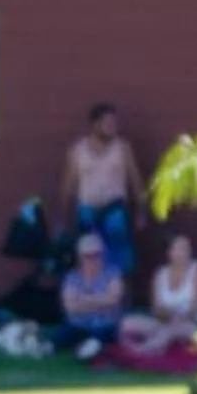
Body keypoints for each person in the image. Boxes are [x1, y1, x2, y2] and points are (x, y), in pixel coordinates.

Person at [58, 103, 150, 275]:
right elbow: (68, 186)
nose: (112, 127)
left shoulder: (122, 148)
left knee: (122, 258)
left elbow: (135, 181)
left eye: (114, 123)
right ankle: (91, 297)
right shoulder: (78, 151)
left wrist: (141, 211)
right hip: (87, 210)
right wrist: (63, 218)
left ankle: (121, 298)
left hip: (114, 209)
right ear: (95, 125)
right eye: (107, 123)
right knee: (87, 256)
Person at [120, 235, 197, 358]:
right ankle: (156, 345)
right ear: (170, 252)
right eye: (180, 248)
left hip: (195, 323)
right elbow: (156, 309)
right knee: (127, 323)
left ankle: (141, 352)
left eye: (186, 248)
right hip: (166, 321)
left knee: (171, 329)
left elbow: (196, 307)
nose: (184, 252)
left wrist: (179, 318)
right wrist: (169, 315)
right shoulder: (160, 274)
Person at [53, 234, 127, 358]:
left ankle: (88, 350)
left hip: (105, 325)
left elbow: (114, 300)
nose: (93, 259)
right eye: (88, 256)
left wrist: (83, 300)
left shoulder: (113, 273)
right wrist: (101, 301)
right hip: (78, 325)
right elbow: (70, 307)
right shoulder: (72, 277)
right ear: (80, 257)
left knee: (102, 336)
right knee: (61, 337)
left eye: (97, 255)